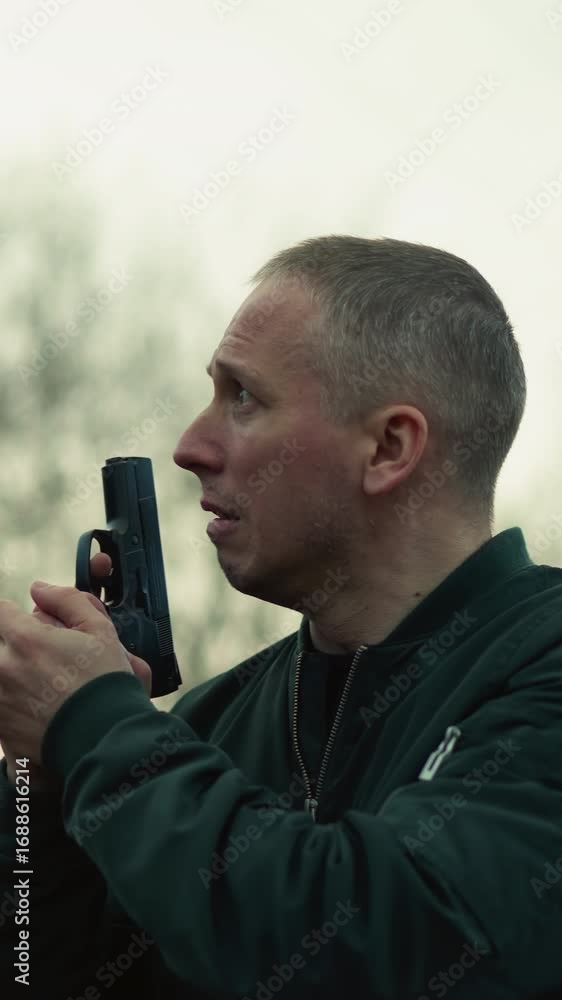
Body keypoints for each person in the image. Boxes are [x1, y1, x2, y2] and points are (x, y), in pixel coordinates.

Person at [1, 234, 562, 999]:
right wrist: (42, 789)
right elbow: (38, 977)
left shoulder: (543, 666)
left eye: (243, 397)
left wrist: (98, 727)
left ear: (389, 447)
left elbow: (385, 949)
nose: (190, 446)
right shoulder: (207, 725)